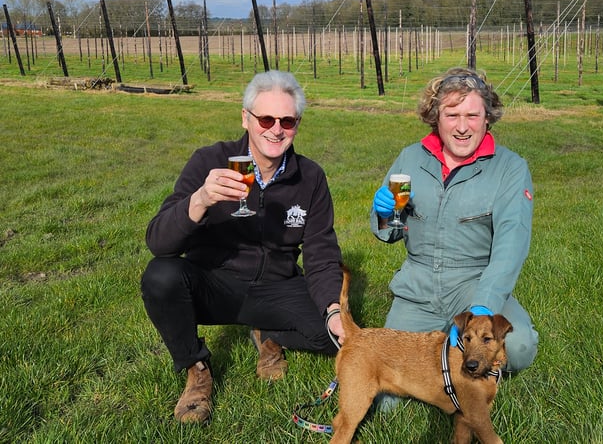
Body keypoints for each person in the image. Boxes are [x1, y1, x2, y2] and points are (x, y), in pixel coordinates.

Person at [141, 70, 344, 424]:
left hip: (277, 288)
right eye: (265, 118)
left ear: (298, 124)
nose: (276, 129)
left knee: (336, 337)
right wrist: (200, 200)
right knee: (161, 276)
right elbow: (158, 241)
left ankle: (268, 333)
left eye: (287, 120)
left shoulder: (310, 177)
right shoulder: (209, 161)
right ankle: (196, 369)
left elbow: (321, 251)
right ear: (246, 118)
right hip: (215, 286)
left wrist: (333, 310)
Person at [370, 66, 538, 382]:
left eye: (472, 116)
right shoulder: (410, 158)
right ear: (436, 118)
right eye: (452, 115)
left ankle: (454, 356)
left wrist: (483, 309)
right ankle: (438, 354)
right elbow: (389, 232)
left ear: (487, 118)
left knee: (518, 346)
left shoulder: (510, 168)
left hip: (473, 284)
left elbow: (510, 248)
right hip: (417, 288)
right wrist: (382, 213)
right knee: (388, 387)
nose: (462, 127)